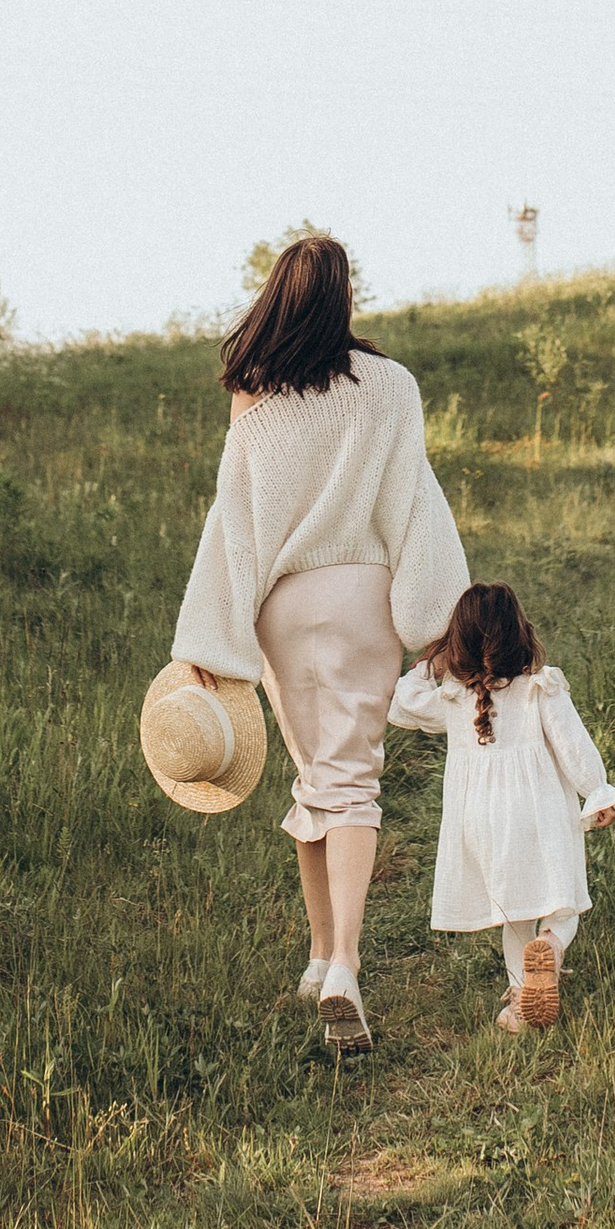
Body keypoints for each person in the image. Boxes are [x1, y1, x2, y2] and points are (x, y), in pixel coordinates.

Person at [172, 235, 468, 1054]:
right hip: (362, 596)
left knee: (315, 778)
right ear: (345, 295)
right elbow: (417, 504)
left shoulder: (253, 396)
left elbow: (233, 522)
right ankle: (347, 965)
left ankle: (317, 956)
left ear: (277, 294)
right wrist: (437, 618)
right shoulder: (392, 386)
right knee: (351, 782)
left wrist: (211, 637)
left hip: (280, 605)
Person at [386, 580, 615, 1033]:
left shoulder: (455, 698)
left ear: (458, 642)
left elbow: (403, 704)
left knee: (514, 912)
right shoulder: (540, 687)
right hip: (540, 812)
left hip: (482, 821)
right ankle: (550, 952)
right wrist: (598, 792)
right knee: (562, 901)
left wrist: (429, 662)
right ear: (520, 631)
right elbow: (574, 746)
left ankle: (520, 1002)